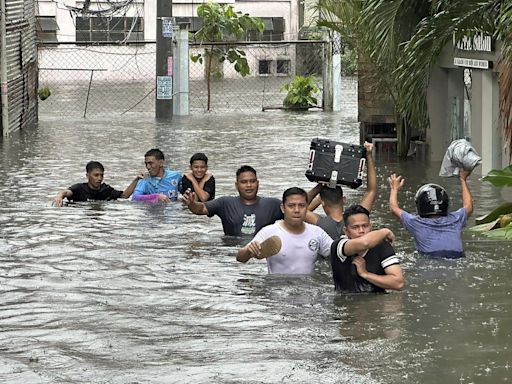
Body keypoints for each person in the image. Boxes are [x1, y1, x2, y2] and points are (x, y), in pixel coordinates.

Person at [237, 187, 333, 274]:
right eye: (291, 206)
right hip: (278, 289)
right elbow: (240, 258)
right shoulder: (269, 231)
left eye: (301, 205)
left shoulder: (316, 232)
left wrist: (345, 242)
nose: (296, 210)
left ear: (306, 207)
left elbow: (337, 251)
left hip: (307, 290)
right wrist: (248, 251)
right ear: (283, 208)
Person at [388, 170, 473, 258]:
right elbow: (469, 206)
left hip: (431, 258)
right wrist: (463, 179)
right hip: (457, 257)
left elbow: (394, 209)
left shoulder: (415, 222)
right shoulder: (456, 219)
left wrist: (394, 189)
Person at [182, 165, 283, 236]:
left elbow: (295, 218)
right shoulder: (225, 203)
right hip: (231, 255)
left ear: (258, 183)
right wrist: (192, 204)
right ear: (236, 185)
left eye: (252, 181)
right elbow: (201, 209)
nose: (249, 185)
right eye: (244, 182)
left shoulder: (273, 205)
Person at [306, 141, 377, 239]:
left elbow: (301, 208)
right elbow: (371, 191)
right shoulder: (357, 219)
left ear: (322, 202)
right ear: (343, 200)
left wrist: (319, 187)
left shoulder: (320, 223)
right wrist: (368, 155)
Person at [330, 204, 404, 293]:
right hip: (347, 302)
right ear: (346, 231)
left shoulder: (382, 246)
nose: (361, 231)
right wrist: (385, 231)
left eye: (365, 226)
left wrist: (366, 274)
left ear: (371, 227)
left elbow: (398, 283)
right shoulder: (339, 245)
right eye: (355, 227)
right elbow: (364, 243)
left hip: (377, 301)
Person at [53, 161, 142, 207]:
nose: (99, 178)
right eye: (96, 175)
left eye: (101, 175)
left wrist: (137, 179)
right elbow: (66, 192)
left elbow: (124, 195)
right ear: (88, 176)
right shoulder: (79, 188)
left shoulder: (106, 190)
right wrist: (59, 196)